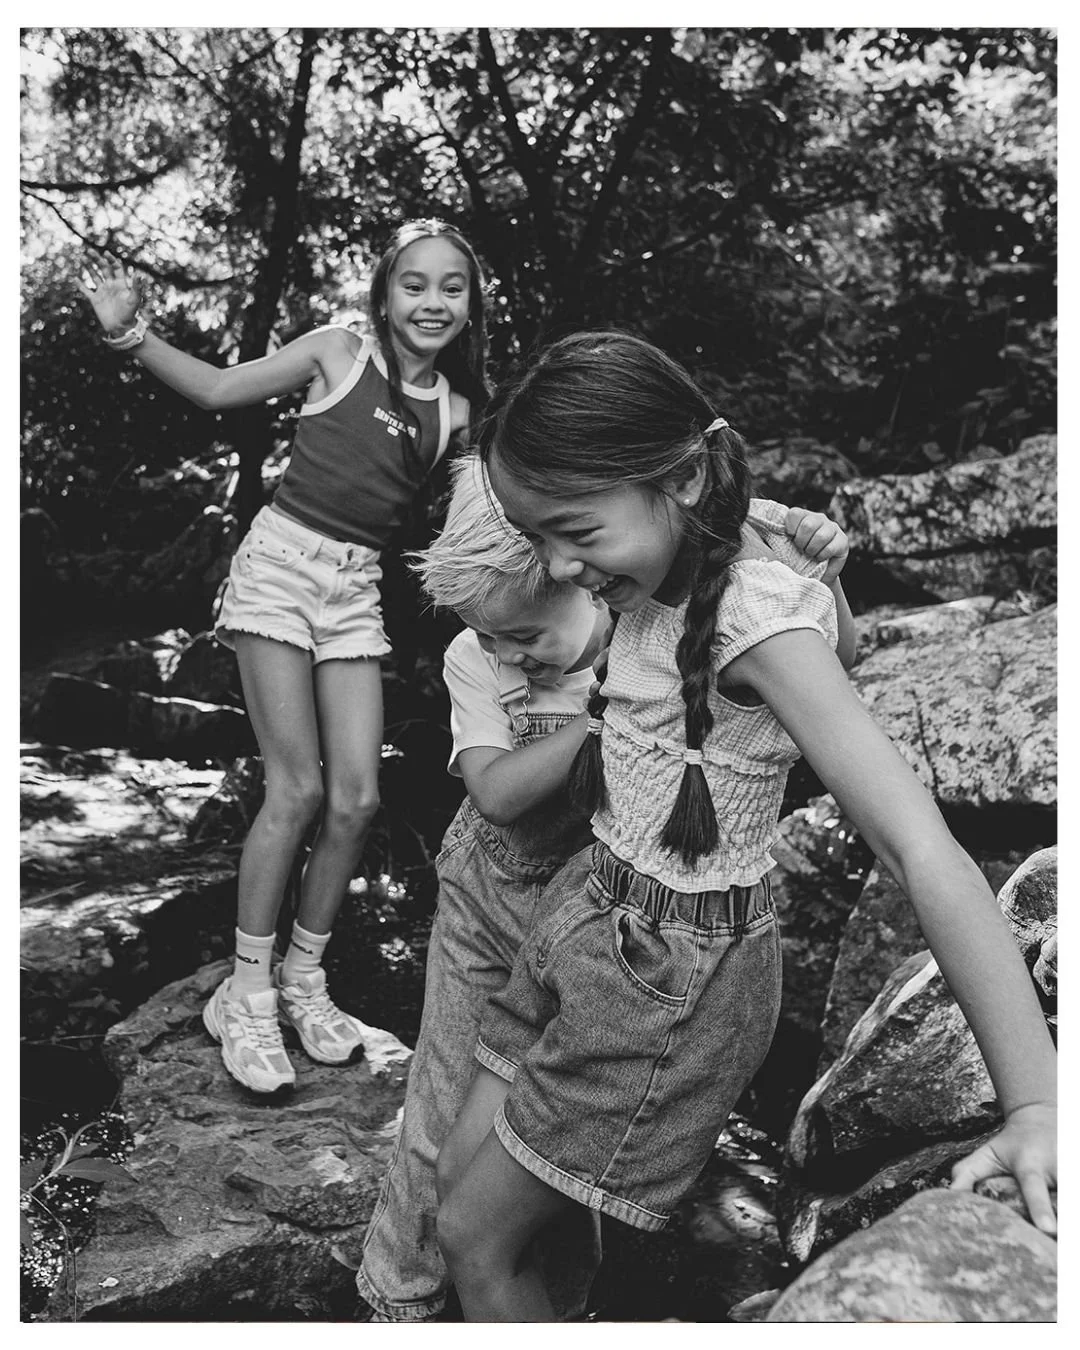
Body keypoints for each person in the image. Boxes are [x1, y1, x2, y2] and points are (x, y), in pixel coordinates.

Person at [434, 331, 1058, 1322]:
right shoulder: (701, 548)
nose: (554, 566)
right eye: (534, 537)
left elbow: (916, 841)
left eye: (575, 533)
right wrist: (832, 583)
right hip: (586, 913)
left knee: (475, 1242)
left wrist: (1036, 1103)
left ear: (678, 477)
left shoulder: (750, 611)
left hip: (670, 973)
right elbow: (825, 649)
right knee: (460, 1211)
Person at [355, 454, 855, 1321]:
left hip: (599, 908)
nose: (509, 655)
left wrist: (815, 564)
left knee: (550, 1152)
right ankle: (398, 1299)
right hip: (496, 897)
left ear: (586, 579)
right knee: (440, 1114)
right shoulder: (485, 656)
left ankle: (560, 1305)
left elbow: (763, 592)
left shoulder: (645, 616)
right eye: (493, 639)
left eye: (526, 635)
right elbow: (499, 794)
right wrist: (598, 712)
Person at [76, 220, 490, 1095]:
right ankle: (248, 989)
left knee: (358, 797)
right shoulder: (339, 352)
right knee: (294, 787)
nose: (431, 302)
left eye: (450, 287)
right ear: (385, 293)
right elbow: (222, 390)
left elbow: (480, 519)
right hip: (279, 568)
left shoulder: (454, 412)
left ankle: (305, 977)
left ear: (469, 305)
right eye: (414, 284)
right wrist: (129, 333)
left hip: (354, 590)